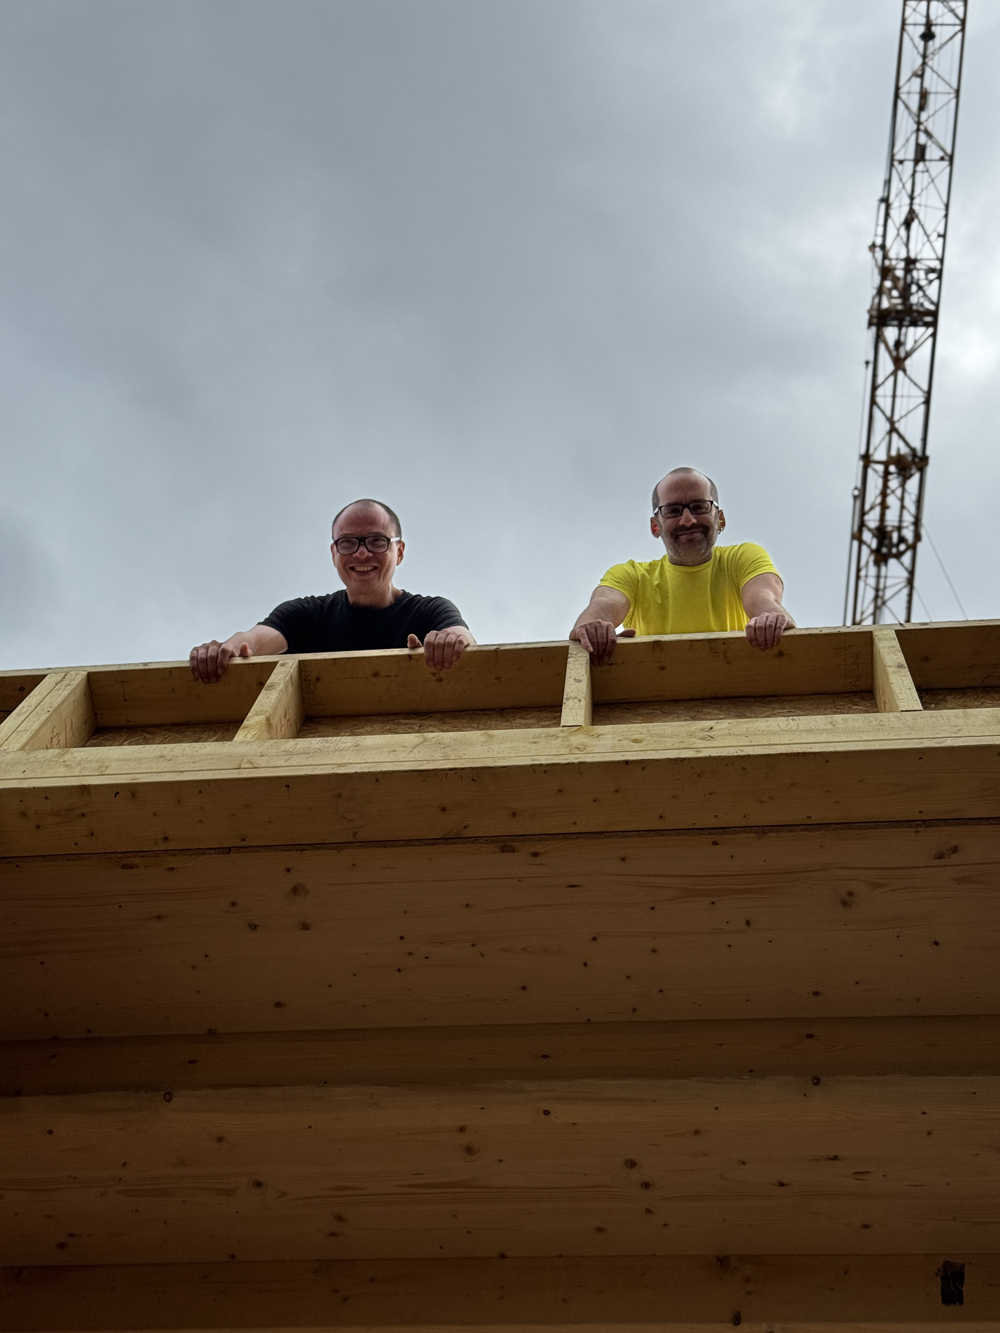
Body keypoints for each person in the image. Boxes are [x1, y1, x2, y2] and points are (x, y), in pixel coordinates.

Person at [190, 499, 474, 682]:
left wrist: (449, 643)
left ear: (398, 552)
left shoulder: (430, 611)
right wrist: (225, 649)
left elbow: (464, 640)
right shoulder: (306, 614)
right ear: (334, 554)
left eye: (376, 541)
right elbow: (253, 641)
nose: (362, 555)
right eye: (348, 543)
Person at [571, 467, 794, 664]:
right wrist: (595, 629)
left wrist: (771, 618)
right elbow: (602, 606)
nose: (688, 520)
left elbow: (764, 601)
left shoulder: (742, 558)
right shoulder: (631, 575)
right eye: (672, 511)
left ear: (721, 519)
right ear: (655, 526)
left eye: (699, 507)